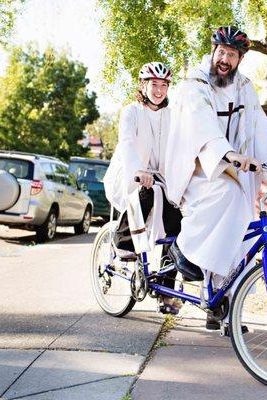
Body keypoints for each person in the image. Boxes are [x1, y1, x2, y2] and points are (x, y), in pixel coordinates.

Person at [164, 26, 267, 329]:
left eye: (231, 55)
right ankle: (183, 248)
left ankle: (220, 307)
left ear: (240, 59)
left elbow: (261, 132)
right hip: (197, 171)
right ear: (212, 52)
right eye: (220, 52)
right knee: (229, 198)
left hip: (232, 173)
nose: (224, 59)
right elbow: (201, 125)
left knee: (235, 240)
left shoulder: (245, 88)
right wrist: (229, 155)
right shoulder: (194, 85)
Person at [103, 61, 184, 314]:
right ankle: (122, 241)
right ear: (143, 85)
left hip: (160, 178)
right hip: (130, 174)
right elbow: (127, 142)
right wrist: (139, 169)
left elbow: (179, 149)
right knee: (145, 193)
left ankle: (164, 290)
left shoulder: (171, 116)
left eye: (163, 85)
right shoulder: (131, 112)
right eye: (154, 84)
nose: (159, 90)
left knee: (176, 224)